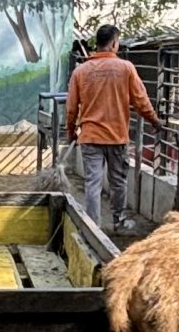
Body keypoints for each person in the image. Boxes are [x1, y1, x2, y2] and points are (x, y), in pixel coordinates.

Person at [66, 21, 162, 234]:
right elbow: (141, 100)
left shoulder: (80, 71)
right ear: (114, 44)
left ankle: (93, 228)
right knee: (118, 182)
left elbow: (71, 108)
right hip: (117, 137)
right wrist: (154, 121)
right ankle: (119, 222)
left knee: (93, 183)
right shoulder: (126, 68)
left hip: (90, 137)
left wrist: (71, 132)